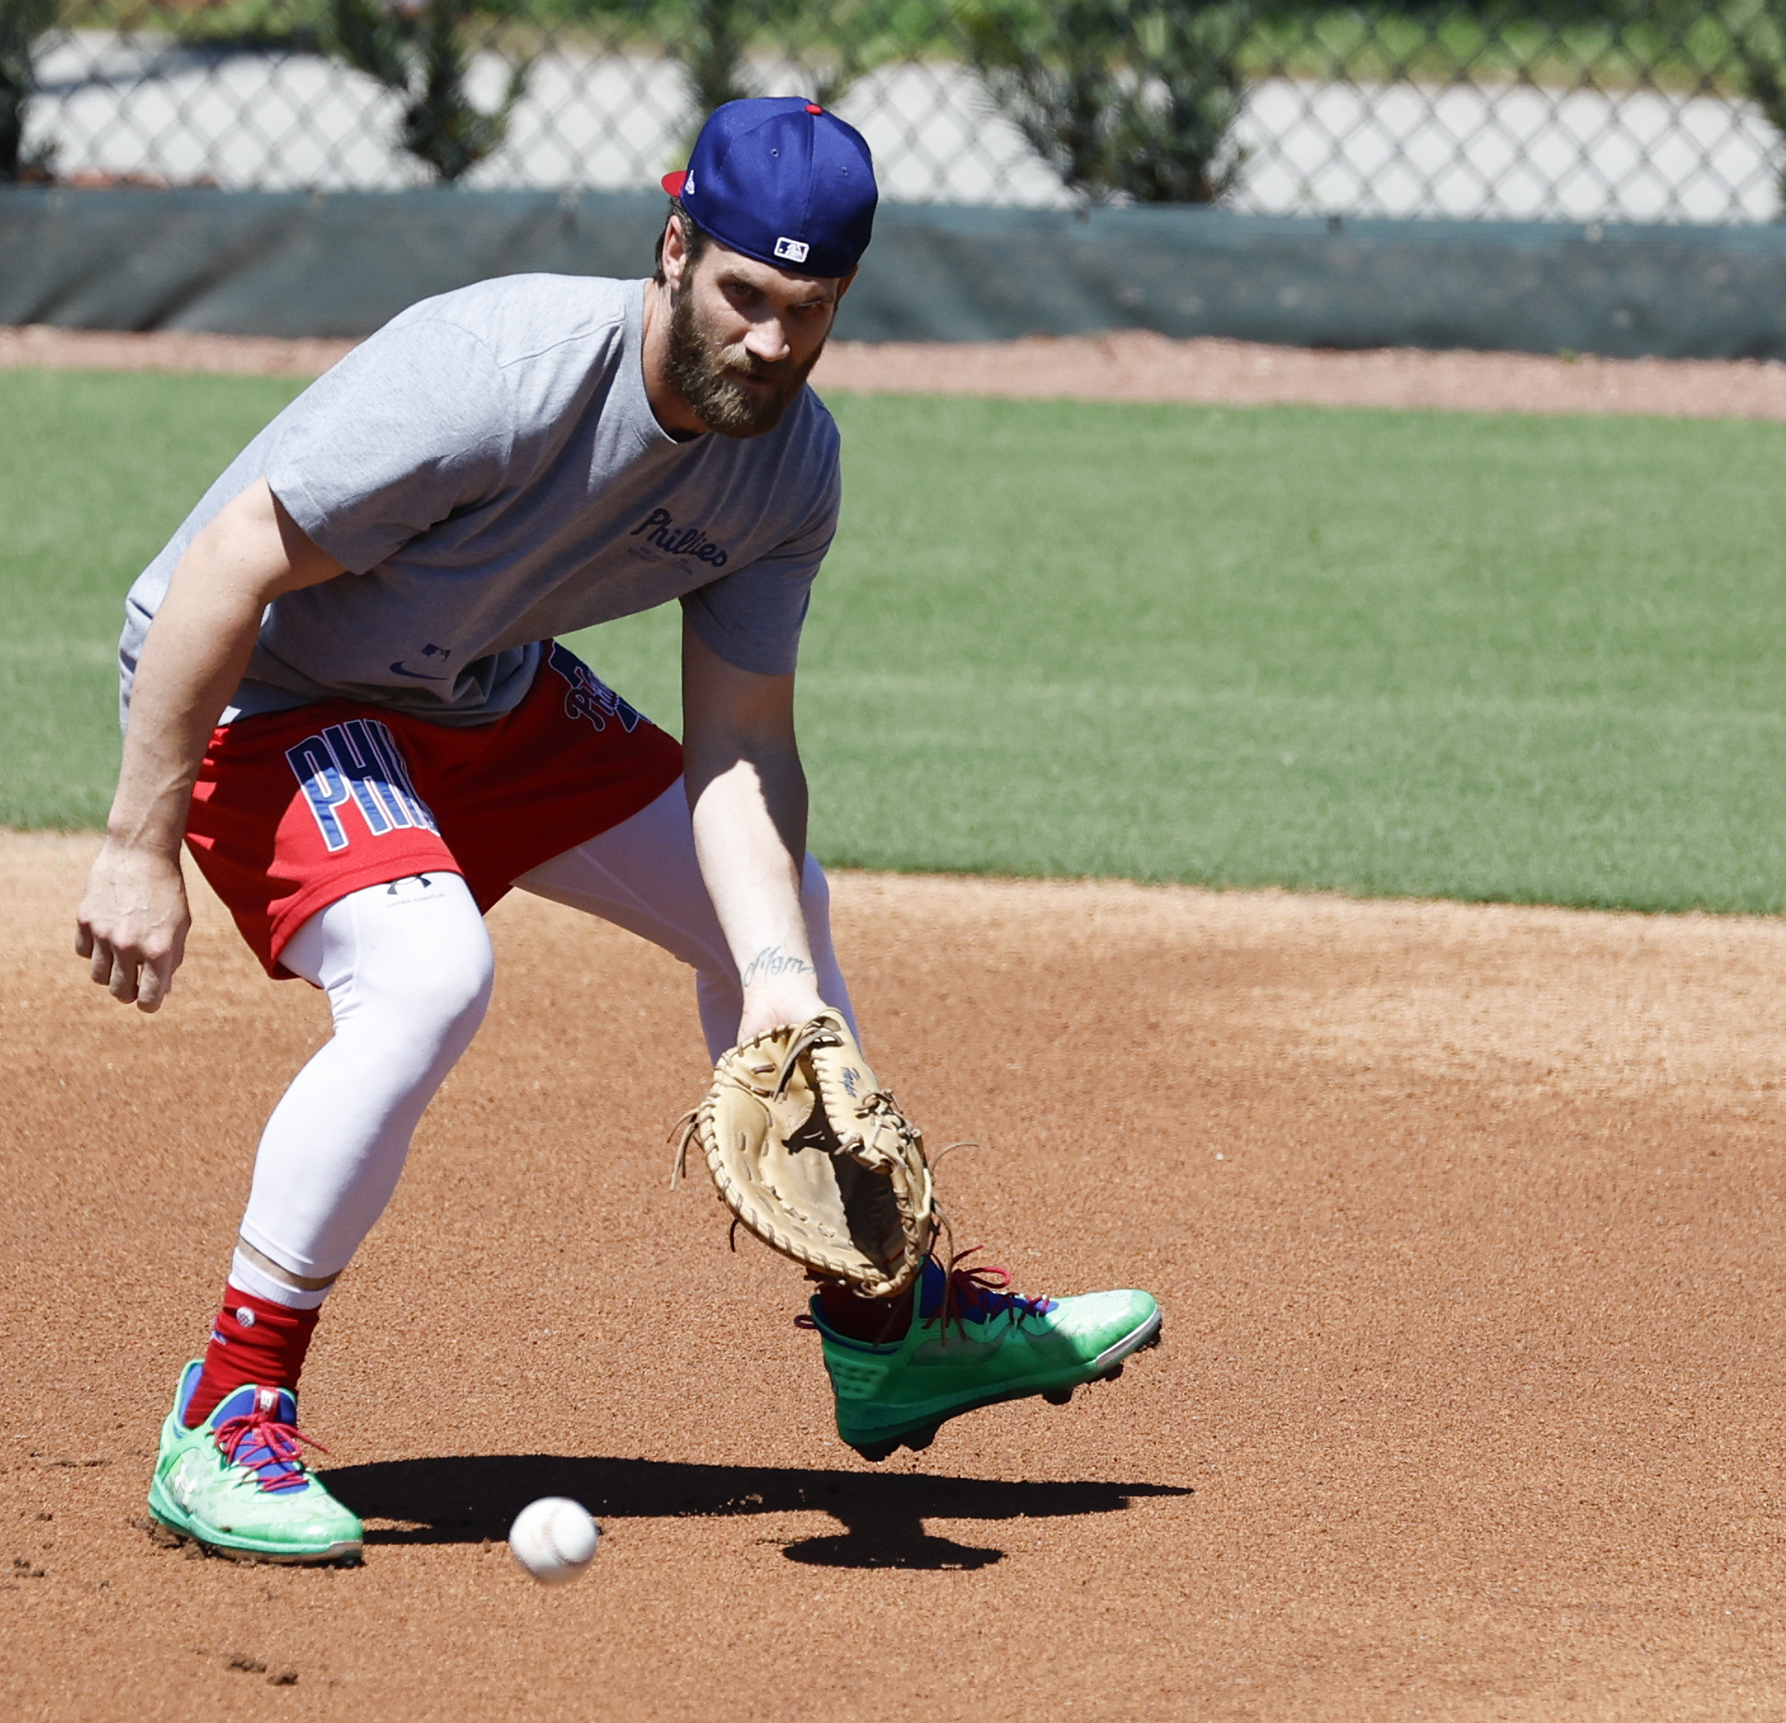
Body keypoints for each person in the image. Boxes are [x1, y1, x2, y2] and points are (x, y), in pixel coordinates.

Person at [74, 96, 1162, 1567]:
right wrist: (137, 843)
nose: (773, 342)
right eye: (745, 295)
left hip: (480, 690)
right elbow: (226, 568)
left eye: (812, 310)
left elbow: (744, 750)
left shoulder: (787, 466)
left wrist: (774, 973)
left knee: (779, 914)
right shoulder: (494, 372)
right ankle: (225, 1413)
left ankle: (889, 1327)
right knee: (426, 974)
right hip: (264, 687)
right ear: (673, 250)